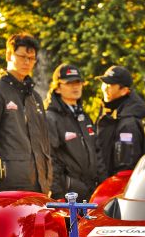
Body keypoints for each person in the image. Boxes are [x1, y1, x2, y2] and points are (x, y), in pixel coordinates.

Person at [0, 33, 52, 199]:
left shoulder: (35, 97)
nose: (27, 62)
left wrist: (47, 180)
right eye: (22, 56)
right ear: (9, 55)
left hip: (38, 185)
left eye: (31, 58)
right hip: (8, 184)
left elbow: (44, 143)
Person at [45, 64, 106, 201]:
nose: (75, 87)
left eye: (78, 82)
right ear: (58, 88)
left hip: (92, 193)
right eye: (69, 83)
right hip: (68, 196)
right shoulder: (51, 117)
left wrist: (103, 186)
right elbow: (50, 159)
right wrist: (58, 195)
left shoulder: (84, 116)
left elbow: (97, 153)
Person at [96, 65, 145, 177]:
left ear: (124, 91)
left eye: (110, 85)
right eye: (104, 83)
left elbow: (125, 167)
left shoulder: (128, 123)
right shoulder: (111, 112)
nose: (105, 88)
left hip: (116, 188)